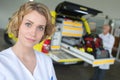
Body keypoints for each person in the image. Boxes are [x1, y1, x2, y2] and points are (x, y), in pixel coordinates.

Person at [0, 1, 57, 80]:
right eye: (28, 24)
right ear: (18, 24)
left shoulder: (46, 61)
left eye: (40, 28)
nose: (33, 33)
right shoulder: (2, 63)